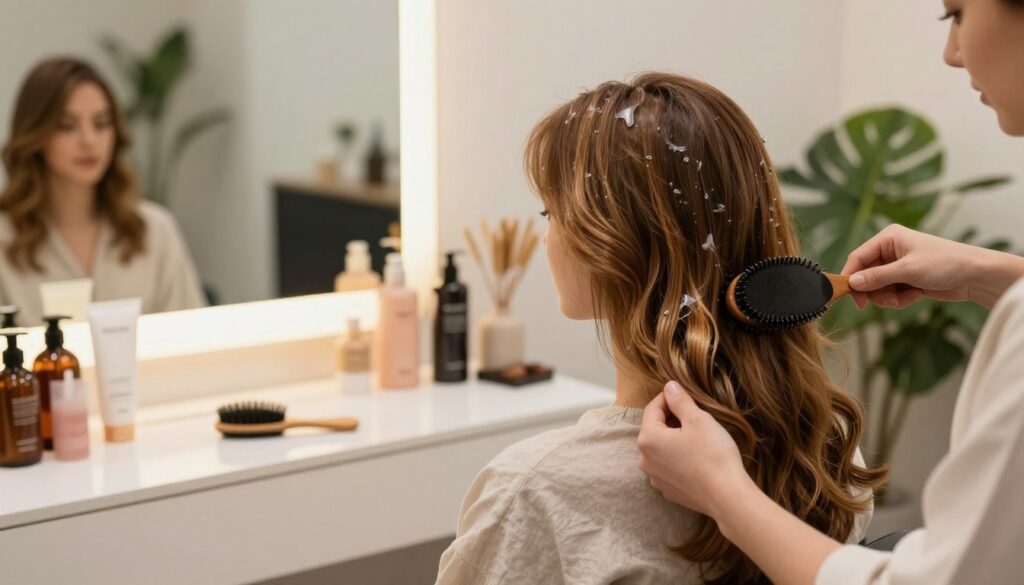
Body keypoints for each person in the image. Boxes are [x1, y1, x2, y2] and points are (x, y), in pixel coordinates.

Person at [435, 72, 886, 585]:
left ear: (611, 248)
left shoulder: (535, 490)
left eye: (551, 213)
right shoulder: (824, 444)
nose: (545, 239)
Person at [638, 1, 1024, 583]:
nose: (951, 52)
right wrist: (992, 274)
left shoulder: (529, 488)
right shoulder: (832, 449)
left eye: (957, 13)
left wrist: (723, 493)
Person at [0, 57, 206, 326]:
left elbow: (194, 337)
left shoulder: (155, 231)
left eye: (101, 123)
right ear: (35, 135)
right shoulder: (5, 241)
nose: (89, 140)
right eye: (67, 125)